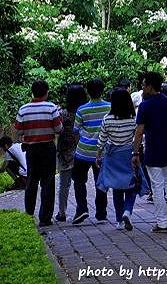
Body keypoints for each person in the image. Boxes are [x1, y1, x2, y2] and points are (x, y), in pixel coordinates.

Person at [132, 71, 167, 232]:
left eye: (143, 85)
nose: (142, 88)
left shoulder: (145, 106)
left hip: (153, 149)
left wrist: (135, 153)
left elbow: (139, 131)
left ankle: (161, 222)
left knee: (156, 185)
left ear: (149, 86)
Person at [15, 79, 63, 226]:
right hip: (48, 148)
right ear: (46, 92)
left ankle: (29, 214)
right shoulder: (51, 108)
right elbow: (59, 129)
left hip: (31, 149)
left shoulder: (23, 109)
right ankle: (45, 218)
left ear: (32, 92)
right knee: (48, 182)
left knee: (31, 181)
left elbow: (18, 131)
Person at [96, 88, 145, 231]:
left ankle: (119, 220)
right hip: (129, 155)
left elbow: (102, 139)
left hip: (113, 157)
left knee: (117, 188)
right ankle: (127, 212)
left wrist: (98, 155)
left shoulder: (107, 119)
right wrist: (137, 153)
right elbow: (137, 137)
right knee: (132, 185)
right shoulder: (133, 119)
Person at [71, 78, 110, 225]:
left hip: (83, 151)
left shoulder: (82, 109)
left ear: (88, 92)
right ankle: (101, 213)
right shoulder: (109, 107)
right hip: (102, 152)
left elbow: (76, 129)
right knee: (100, 182)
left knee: (79, 181)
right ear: (102, 90)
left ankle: (82, 209)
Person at [56, 83, 87, 222]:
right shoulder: (84, 113)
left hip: (65, 153)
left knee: (64, 184)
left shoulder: (62, 114)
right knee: (80, 182)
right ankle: (81, 208)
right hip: (82, 151)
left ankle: (62, 212)